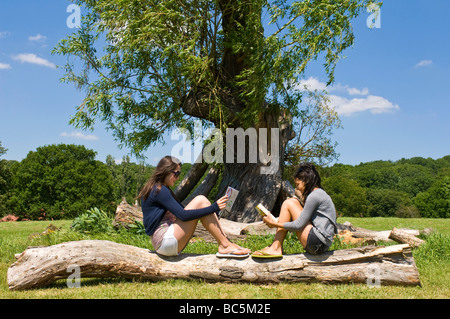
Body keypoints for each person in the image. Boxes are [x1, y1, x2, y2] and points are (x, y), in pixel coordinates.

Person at [138, 155, 250, 258]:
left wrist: (211, 211)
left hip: (165, 243)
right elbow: (183, 215)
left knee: (202, 202)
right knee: (201, 200)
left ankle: (226, 243)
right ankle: (225, 245)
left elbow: (184, 213)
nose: (177, 178)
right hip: (164, 241)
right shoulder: (159, 190)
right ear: (166, 171)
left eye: (179, 175)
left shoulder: (158, 189)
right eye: (176, 174)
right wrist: (213, 208)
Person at [253, 163, 337, 257]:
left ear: (306, 181)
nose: (297, 188)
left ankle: (276, 247)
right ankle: (275, 246)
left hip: (317, 242)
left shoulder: (314, 196)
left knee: (289, 203)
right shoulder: (319, 193)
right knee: (294, 201)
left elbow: (298, 225)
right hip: (322, 243)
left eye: (297, 184)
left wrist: (274, 224)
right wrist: (276, 220)